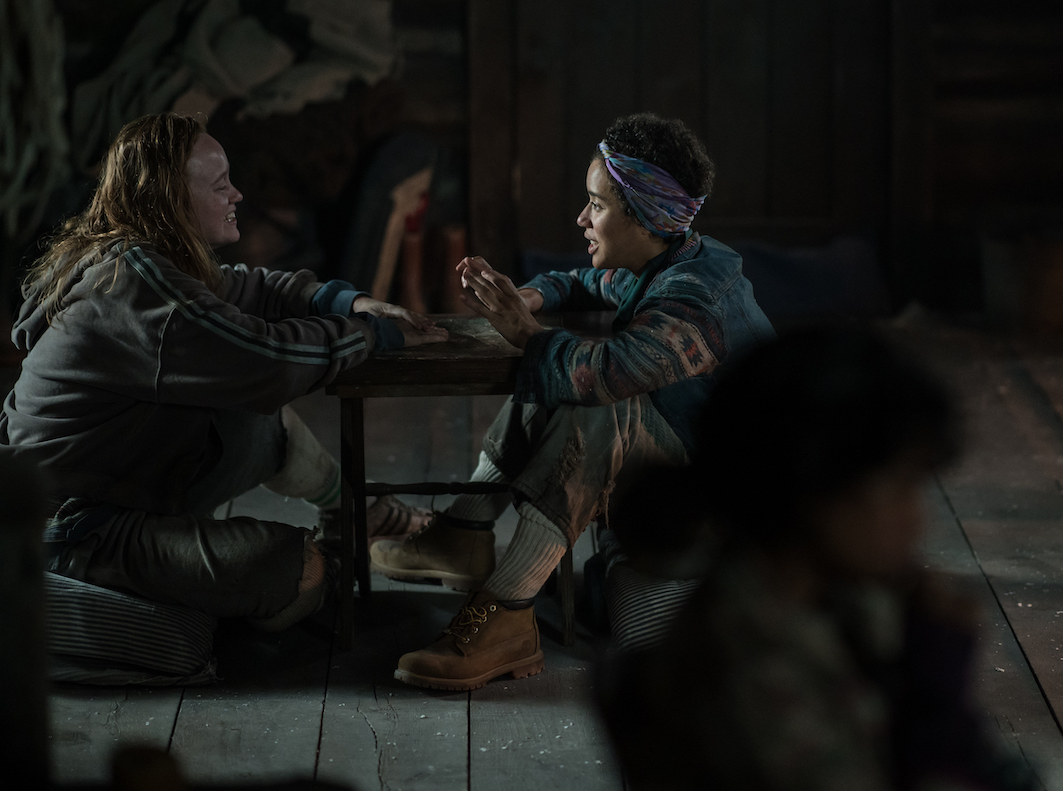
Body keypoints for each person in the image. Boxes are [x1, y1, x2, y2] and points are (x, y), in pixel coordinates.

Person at [368, 112, 775, 690]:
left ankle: (502, 611)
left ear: (648, 217)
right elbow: (583, 281)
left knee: (595, 399)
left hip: (725, 521)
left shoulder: (695, 302)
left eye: (598, 206)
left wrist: (525, 333)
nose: (581, 219)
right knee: (569, 374)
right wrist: (529, 298)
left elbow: (607, 375)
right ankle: (463, 534)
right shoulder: (669, 259)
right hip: (683, 493)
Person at [0, 112, 447, 630]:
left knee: (255, 422)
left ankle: (356, 513)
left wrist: (349, 301)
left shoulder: (145, 257)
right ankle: (329, 561)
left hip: (115, 495)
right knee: (296, 571)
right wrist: (373, 334)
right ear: (168, 199)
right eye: (219, 185)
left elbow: (250, 286)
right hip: (69, 528)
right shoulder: (137, 286)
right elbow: (269, 362)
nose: (237, 195)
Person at [599, 326, 1038, 791]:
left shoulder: (823, 597)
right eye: (900, 485)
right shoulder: (750, 670)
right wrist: (939, 706)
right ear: (812, 485)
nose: (917, 520)